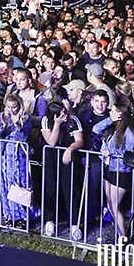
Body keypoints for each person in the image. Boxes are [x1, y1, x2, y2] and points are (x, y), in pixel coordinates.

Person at [40, 100, 84, 241]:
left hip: (68, 155)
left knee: (70, 189)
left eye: (65, 112)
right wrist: (57, 124)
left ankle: (74, 224)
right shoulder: (46, 120)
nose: (64, 116)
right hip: (51, 156)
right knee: (50, 188)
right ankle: (50, 221)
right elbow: (51, 142)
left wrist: (70, 149)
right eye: (60, 115)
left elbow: (80, 140)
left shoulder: (74, 120)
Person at [93, 101, 134, 239]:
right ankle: (119, 233)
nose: (110, 112)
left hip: (121, 171)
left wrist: (111, 152)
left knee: (114, 205)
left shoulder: (129, 132)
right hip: (110, 168)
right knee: (110, 204)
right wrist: (109, 120)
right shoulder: (112, 128)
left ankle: (123, 237)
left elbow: (130, 152)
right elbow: (96, 129)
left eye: (113, 110)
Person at [0, 93, 33, 230]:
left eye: (14, 107)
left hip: (19, 155)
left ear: (19, 106)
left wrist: (16, 126)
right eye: (9, 107)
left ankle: (22, 216)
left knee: (20, 183)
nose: (12, 110)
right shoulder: (2, 117)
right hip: (5, 155)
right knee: (6, 183)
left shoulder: (26, 118)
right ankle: (9, 214)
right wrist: (4, 127)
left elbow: (24, 137)